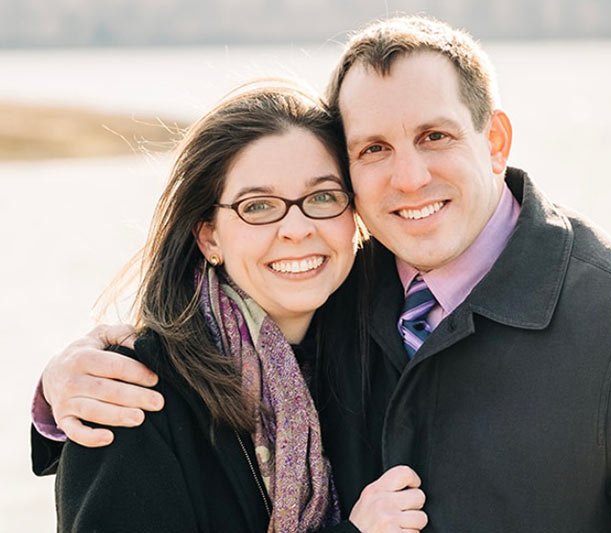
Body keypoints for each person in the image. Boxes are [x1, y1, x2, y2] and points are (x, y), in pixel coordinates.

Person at [33, 16, 611, 532]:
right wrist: (59, 389)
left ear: (495, 140)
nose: (409, 177)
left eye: (434, 136)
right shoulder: (338, 302)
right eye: (374, 149)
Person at [34, 80, 428, 533]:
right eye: (258, 206)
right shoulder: (129, 393)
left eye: (322, 197)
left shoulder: (389, 348)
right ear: (210, 236)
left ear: (354, 214)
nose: (296, 228)